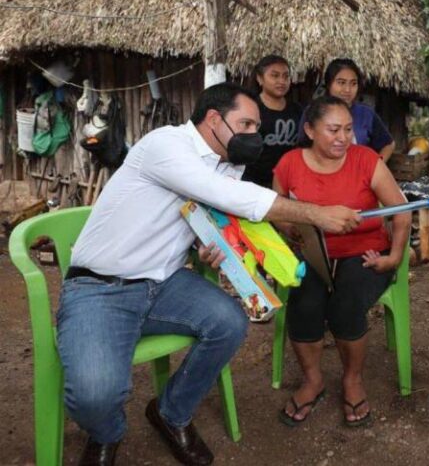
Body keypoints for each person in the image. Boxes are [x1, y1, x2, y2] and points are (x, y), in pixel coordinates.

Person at [58, 83, 361, 466]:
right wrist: (316, 213)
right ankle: (106, 434)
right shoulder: (166, 145)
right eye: (246, 124)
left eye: (257, 126)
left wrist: (205, 246)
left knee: (230, 323)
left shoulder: (228, 165)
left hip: (164, 283)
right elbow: (224, 195)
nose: (255, 135)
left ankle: (170, 412)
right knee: (95, 397)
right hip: (99, 288)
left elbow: (200, 216)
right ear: (214, 119)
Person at [272, 95, 409, 427]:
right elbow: (275, 210)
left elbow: (401, 211)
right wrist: (294, 231)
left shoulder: (366, 160)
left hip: (364, 252)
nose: (343, 138)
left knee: (345, 306)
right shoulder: (289, 163)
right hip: (314, 254)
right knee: (303, 304)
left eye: (348, 129)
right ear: (310, 129)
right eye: (333, 130)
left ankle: (352, 379)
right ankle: (313, 380)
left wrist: (393, 257)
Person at [298, 58, 395, 161]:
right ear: (329, 84)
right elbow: (303, 148)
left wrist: (375, 168)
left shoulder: (366, 114)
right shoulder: (313, 111)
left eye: (353, 83)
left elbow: (388, 144)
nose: (347, 90)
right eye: (341, 83)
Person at [241, 55, 303, 188]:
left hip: (288, 182)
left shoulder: (298, 110)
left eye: (286, 76)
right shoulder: (250, 108)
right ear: (260, 78)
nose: (281, 81)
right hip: (254, 183)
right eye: (274, 76)